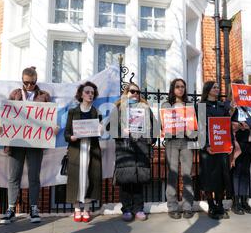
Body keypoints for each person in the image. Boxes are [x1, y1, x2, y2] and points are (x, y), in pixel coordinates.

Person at [0, 67, 58, 224]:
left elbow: (50, 118)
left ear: (36, 81)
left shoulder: (44, 96)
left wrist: (54, 127)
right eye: (26, 83)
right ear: (22, 80)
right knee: (14, 176)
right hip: (16, 143)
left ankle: (34, 208)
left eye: (32, 83)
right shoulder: (15, 94)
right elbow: (5, 115)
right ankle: (11, 209)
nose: (29, 86)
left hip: (36, 143)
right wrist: (2, 126)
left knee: (34, 176)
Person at [110, 82, 157, 222]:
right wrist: (121, 132)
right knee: (125, 179)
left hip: (141, 147)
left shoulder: (146, 108)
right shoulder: (118, 108)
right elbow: (111, 129)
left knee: (138, 179)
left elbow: (154, 126)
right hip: (124, 147)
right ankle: (126, 209)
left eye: (137, 92)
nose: (135, 94)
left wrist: (150, 138)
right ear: (126, 92)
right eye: (132, 91)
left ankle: (138, 208)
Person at [64, 81, 102, 223]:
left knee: (89, 179)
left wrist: (101, 128)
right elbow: (66, 133)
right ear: (81, 94)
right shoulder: (73, 112)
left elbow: (99, 132)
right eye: (87, 92)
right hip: (76, 149)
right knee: (76, 179)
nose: (90, 94)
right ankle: (76, 209)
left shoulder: (96, 112)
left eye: (92, 92)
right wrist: (71, 137)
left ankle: (86, 208)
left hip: (92, 149)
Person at [198, 81, 232, 219]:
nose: (217, 89)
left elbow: (227, 125)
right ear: (208, 90)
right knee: (208, 177)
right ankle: (211, 205)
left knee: (221, 177)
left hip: (221, 146)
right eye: (214, 87)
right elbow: (200, 128)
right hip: (208, 148)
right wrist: (206, 145)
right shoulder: (200, 106)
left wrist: (229, 143)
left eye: (218, 87)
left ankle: (220, 205)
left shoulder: (222, 106)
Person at [162, 78, 195, 219]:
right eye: (177, 86)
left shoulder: (189, 105)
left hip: (187, 142)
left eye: (183, 87)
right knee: (172, 175)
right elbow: (164, 124)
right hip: (172, 142)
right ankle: (173, 206)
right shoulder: (166, 104)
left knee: (187, 175)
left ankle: (188, 206)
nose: (180, 89)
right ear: (172, 88)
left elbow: (194, 124)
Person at [230, 80, 251, 215]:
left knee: (246, 171)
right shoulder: (232, 106)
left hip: (249, 141)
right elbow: (227, 122)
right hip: (237, 141)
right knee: (237, 172)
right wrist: (238, 125)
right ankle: (236, 201)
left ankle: (244, 200)